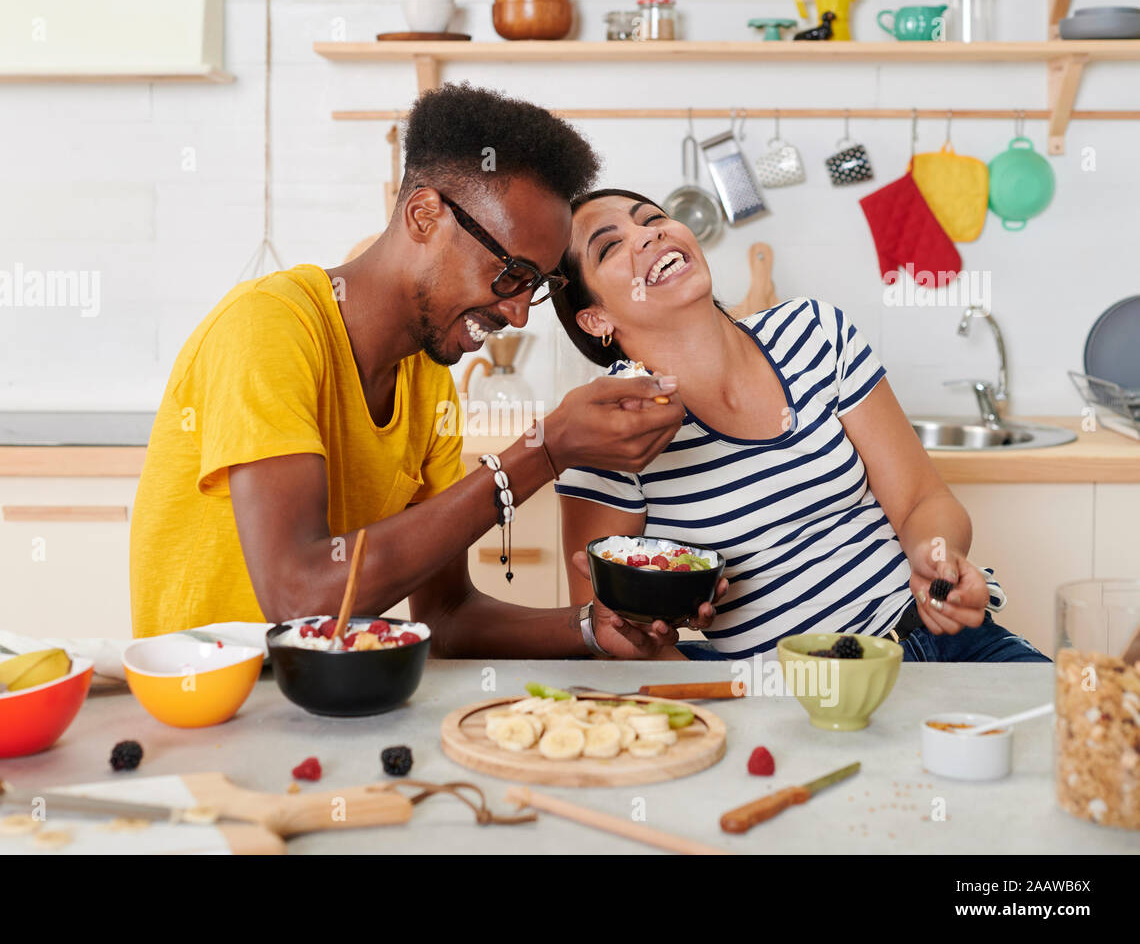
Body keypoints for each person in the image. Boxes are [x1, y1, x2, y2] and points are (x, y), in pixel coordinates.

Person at [130, 86, 700, 659]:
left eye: (539, 285)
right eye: (510, 274)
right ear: (425, 216)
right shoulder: (267, 327)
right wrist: (544, 451)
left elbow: (450, 618)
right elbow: (297, 597)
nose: (519, 312)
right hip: (215, 712)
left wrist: (590, 626)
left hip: (328, 706)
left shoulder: (427, 380)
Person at [551, 188, 1050, 663]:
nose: (648, 235)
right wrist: (671, 658)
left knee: (1098, 735)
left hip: (937, 636)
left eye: (653, 218)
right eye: (610, 245)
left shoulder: (813, 332)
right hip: (791, 695)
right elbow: (607, 639)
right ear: (594, 320)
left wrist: (939, 561)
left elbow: (922, 499)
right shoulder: (602, 429)